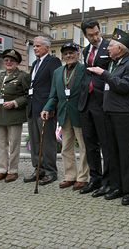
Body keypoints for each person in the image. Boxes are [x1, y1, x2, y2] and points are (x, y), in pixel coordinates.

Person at [87, 28, 129, 206]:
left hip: (124, 113)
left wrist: (104, 74)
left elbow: (124, 86)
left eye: (110, 45)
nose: (107, 48)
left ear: (121, 48)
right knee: (112, 151)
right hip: (109, 111)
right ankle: (116, 186)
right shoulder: (113, 63)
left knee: (125, 152)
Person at [41, 42, 89, 191]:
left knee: (83, 147)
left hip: (80, 113)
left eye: (72, 52)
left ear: (78, 54)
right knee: (66, 148)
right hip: (64, 113)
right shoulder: (57, 72)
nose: (69, 55)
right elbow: (53, 95)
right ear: (62, 56)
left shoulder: (85, 69)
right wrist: (47, 108)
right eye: (66, 53)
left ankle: (82, 178)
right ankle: (70, 176)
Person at [77, 19, 111, 196]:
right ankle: (95, 178)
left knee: (105, 144)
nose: (95, 37)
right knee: (90, 144)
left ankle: (107, 181)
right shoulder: (86, 50)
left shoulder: (109, 46)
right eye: (90, 35)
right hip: (86, 102)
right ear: (85, 35)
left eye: (97, 33)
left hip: (102, 102)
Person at [24, 36, 62, 185]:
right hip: (33, 107)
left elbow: (56, 85)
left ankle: (51, 171)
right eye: (34, 46)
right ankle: (38, 169)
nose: (35, 48)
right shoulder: (35, 63)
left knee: (47, 142)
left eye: (38, 46)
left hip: (45, 109)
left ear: (47, 47)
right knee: (35, 141)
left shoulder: (53, 62)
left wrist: (51, 106)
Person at [0, 49, 30, 183]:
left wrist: (15, 103)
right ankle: (1, 170)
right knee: (1, 144)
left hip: (14, 115)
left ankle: (12, 171)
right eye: (6, 60)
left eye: (12, 61)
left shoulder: (23, 76)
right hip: (0, 114)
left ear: (17, 63)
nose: (8, 62)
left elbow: (28, 96)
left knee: (14, 145)